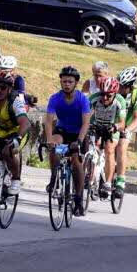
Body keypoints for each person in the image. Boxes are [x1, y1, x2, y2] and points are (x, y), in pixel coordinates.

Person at [44, 66, 92, 216]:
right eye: (64, 81)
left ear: (76, 83)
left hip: (78, 133)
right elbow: (48, 121)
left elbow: (86, 123)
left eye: (70, 82)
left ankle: (78, 198)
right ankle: (54, 178)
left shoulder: (82, 99)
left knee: (77, 161)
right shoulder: (55, 98)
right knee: (54, 147)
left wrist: (79, 141)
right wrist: (49, 139)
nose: (66, 84)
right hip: (63, 131)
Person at [87, 76, 128, 199]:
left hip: (112, 127)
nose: (105, 98)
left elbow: (122, 123)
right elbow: (85, 116)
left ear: (115, 94)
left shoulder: (120, 101)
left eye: (109, 96)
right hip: (97, 125)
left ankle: (108, 183)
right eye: (103, 94)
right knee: (93, 147)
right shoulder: (94, 98)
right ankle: (90, 176)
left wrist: (115, 127)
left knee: (110, 149)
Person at [115, 66, 137, 198]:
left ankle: (120, 180)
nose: (120, 89)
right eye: (119, 85)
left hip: (127, 124)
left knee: (122, 146)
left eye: (123, 86)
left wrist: (127, 130)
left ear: (131, 85)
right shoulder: (114, 87)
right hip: (114, 122)